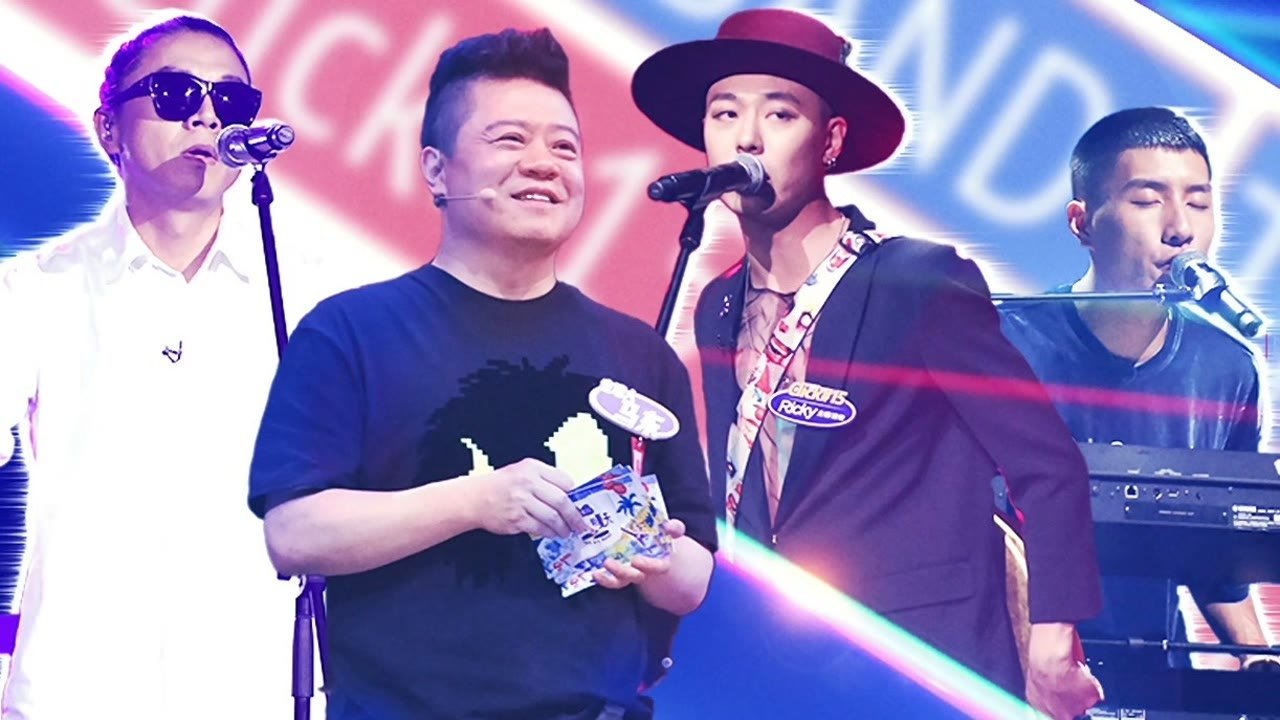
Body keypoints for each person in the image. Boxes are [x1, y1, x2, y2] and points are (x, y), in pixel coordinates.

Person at [632, 8, 1104, 719]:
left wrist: (1052, 639)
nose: (747, 137)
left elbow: (1048, 466)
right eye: (725, 113)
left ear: (831, 140)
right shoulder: (719, 304)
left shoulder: (917, 281)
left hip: (913, 660)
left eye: (779, 114)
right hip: (771, 659)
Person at [248, 27, 717, 720]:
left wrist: (652, 559)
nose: (543, 164)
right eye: (510, 140)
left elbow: (693, 577)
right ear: (437, 171)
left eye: (565, 147)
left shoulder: (641, 353)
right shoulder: (350, 332)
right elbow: (294, 534)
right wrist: (474, 502)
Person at [0, 13, 316, 719]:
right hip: (79, 695)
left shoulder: (308, 295)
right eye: (175, 94)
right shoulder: (35, 292)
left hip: (259, 691)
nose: (207, 116)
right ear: (109, 128)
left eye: (231, 100)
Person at [999, 106, 1276, 673]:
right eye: (1148, 201)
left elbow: (1214, 556)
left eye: (1199, 203)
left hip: (1151, 670)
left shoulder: (1226, 370)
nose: (1180, 229)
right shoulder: (1002, 344)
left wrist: (1259, 661)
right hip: (1012, 672)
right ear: (1082, 223)